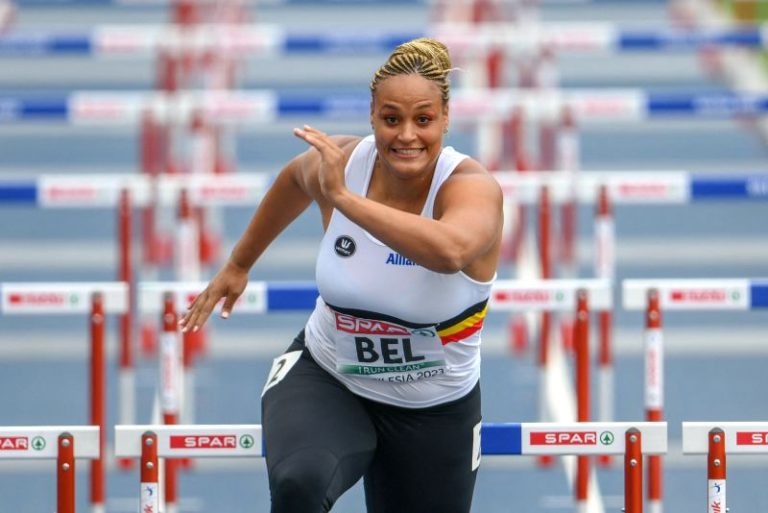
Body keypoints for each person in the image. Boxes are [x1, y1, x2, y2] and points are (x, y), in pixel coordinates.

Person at [180, 37, 503, 513]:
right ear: (373, 116)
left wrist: (347, 201)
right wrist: (239, 264)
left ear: (446, 119)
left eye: (423, 120)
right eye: (391, 119)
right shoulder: (345, 164)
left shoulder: (471, 189)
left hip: (433, 410)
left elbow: (449, 251)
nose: (407, 135)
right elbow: (294, 179)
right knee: (300, 484)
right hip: (330, 380)